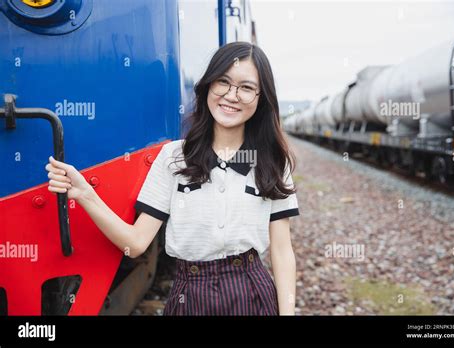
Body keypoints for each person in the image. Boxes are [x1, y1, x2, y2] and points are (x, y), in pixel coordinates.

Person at [45, 41, 300, 315]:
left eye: (246, 88)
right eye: (223, 82)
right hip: (189, 298)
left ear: (261, 99)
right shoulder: (173, 157)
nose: (231, 95)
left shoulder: (271, 160)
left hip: (252, 294)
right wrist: (86, 195)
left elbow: (282, 252)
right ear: (208, 87)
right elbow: (136, 243)